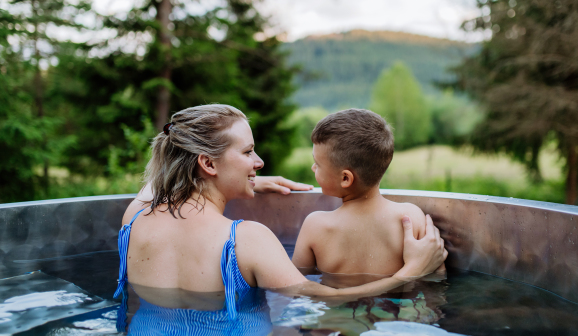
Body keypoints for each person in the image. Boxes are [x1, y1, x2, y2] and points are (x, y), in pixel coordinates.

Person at [115, 104, 446, 323]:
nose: (259, 163)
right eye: (247, 152)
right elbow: (322, 297)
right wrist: (409, 274)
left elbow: (158, 187)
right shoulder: (247, 240)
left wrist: (236, 182)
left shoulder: (135, 213)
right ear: (208, 163)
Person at [292, 109, 446, 279]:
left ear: (345, 178)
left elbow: (295, 284)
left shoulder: (316, 226)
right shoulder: (410, 218)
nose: (313, 168)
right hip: (395, 305)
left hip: (336, 305)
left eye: (317, 163)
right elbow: (437, 274)